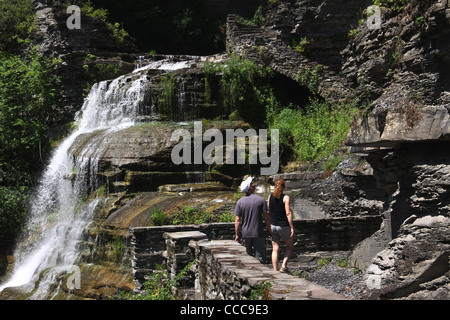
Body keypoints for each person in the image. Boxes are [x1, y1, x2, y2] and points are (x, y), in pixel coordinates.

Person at [234, 177, 271, 263]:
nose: (253, 184)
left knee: (246, 259)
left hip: (245, 234)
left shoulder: (240, 202)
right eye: (251, 184)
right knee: (260, 259)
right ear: (250, 188)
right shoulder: (261, 200)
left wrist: (237, 235)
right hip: (258, 233)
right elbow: (267, 217)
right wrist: (270, 230)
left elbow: (237, 220)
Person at [268, 179, 294, 272]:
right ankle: (283, 266)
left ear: (275, 186)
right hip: (283, 225)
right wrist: (291, 227)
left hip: (273, 226)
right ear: (283, 187)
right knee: (289, 246)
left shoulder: (270, 197)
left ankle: (275, 270)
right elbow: (288, 213)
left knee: (275, 249)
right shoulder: (285, 197)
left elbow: (268, 211)